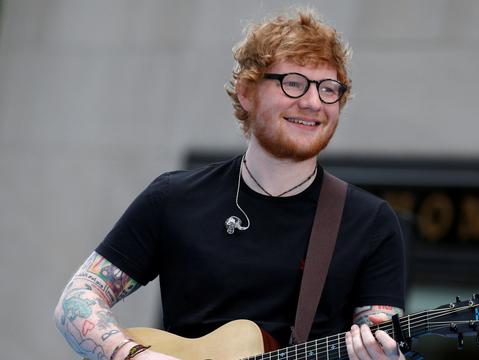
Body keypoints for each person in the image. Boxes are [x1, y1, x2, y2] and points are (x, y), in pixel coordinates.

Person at [55, 8, 406, 360]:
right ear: (246, 93)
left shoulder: (370, 221)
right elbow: (78, 297)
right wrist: (134, 356)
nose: (313, 102)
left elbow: (381, 337)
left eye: (328, 89)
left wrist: (385, 355)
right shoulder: (174, 198)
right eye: (294, 83)